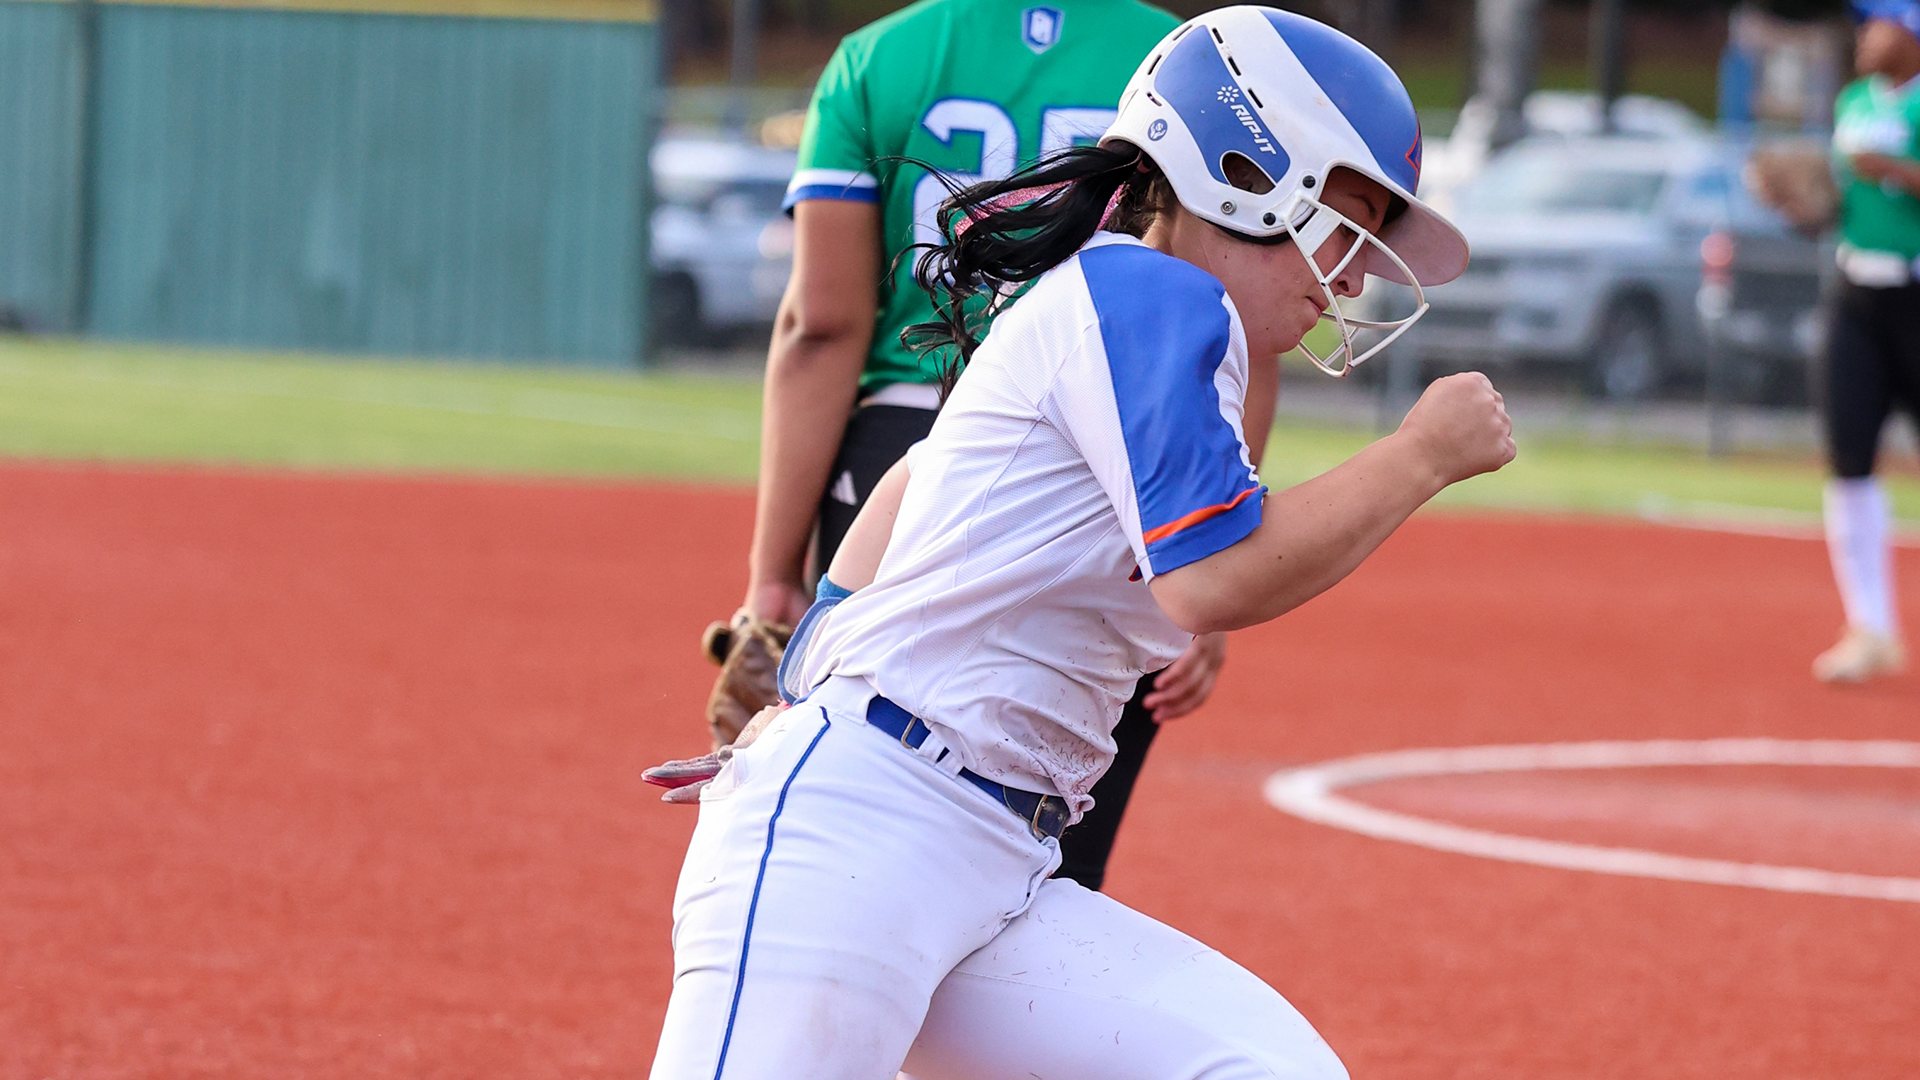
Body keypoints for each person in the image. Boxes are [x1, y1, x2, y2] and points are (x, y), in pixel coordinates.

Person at [648, 9, 1512, 1078]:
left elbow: (914, 479)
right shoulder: (1153, 292)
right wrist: (1421, 454)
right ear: (1250, 172)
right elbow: (1210, 578)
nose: (1352, 278)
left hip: (984, 854)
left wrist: (807, 671)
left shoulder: (1136, 303)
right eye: (1346, 225)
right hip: (864, 835)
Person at [725, 0, 1234, 892]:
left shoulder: (880, 58)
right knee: (1053, 870)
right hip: (1121, 450)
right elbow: (1229, 307)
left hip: (907, 439)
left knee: (857, 843)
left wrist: (774, 575)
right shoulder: (1183, 60)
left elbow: (822, 324)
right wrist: (1214, 541)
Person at [1814, 0, 1920, 682]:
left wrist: (1894, 169)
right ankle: (1871, 627)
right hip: (1856, 292)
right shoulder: (1852, 98)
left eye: (1876, 20)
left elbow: (1885, 177)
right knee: (1848, 454)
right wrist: (1804, 204)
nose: (1862, 34)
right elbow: (1846, 200)